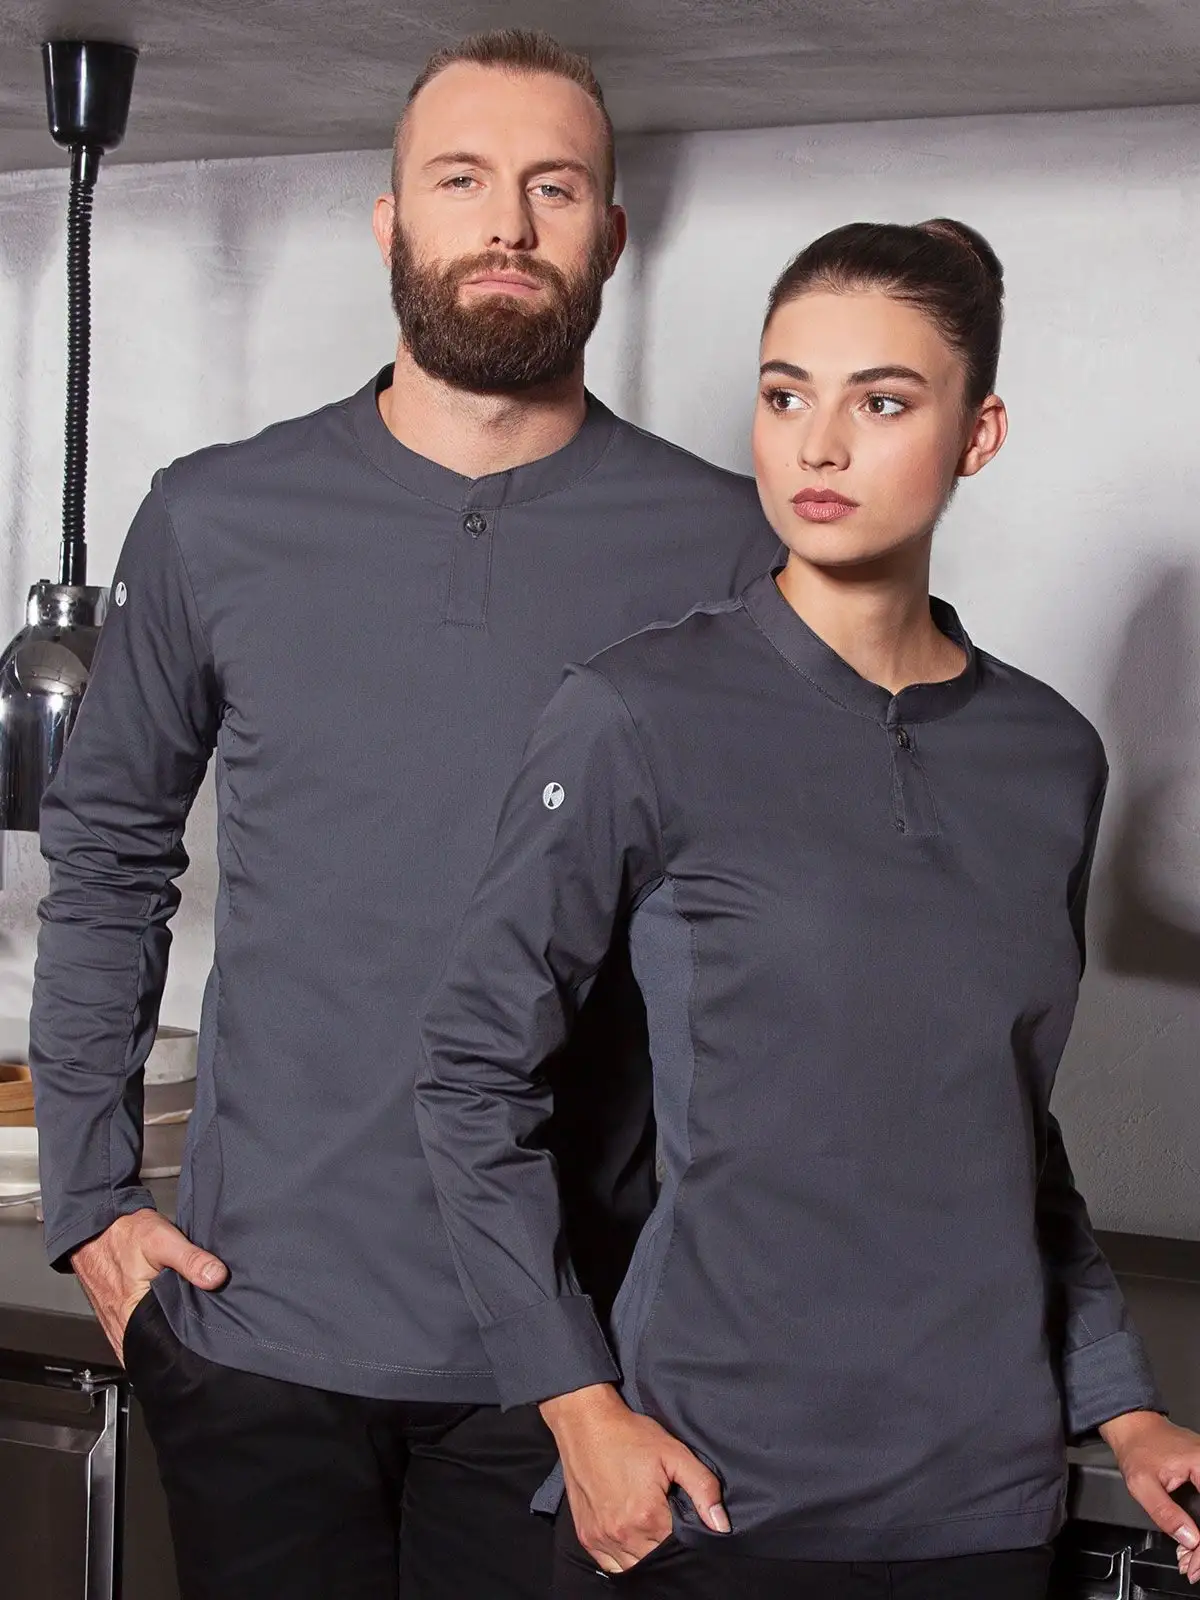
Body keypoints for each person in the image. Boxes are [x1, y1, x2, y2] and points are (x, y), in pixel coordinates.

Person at [28, 29, 778, 1600]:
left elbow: (778, 953)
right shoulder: (215, 517)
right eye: (461, 181)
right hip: (255, 1329)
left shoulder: (728, 550)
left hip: (575, 1361)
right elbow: (106, 854)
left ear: (609, 236)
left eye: (552, 188)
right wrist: (92, 1197)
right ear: (390, 225)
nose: (506, 223)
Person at [417, 218, 1200, 1599]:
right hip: (711, 1496)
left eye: (881, 402)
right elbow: (472, 1072)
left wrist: (1122, 1403)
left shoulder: (1049, 755)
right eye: (786, 396)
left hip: (982, 1504)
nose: (818, 446)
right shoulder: (634, 712)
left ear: (978, 434)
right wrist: (577, 1405)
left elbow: (1002, 1121)